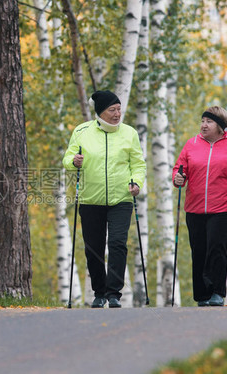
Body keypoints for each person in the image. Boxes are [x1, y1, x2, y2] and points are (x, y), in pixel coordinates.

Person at [63, 90, 146, 308]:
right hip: (91, 200)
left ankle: (113, 294)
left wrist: (136, 182)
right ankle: (99, 293)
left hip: (122, 198)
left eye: (119, 109)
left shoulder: (129, 133)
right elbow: (67, 159)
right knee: (94, 248)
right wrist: (75, 161)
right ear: (100, 112)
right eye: (112, 110)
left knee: (118, 244)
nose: (118, 113)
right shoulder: (82, 131)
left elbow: (138, 164)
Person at [173, 106, 227, 307]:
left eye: (209, 122)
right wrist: (178, 178)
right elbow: (179, 170)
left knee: (216, 248)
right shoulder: (191, 144)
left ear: (220, 126)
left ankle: (217, 292)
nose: (203, 125)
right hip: (194, 208)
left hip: (223, 207)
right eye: (202, 121)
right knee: (198, 250)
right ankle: (202, 295)